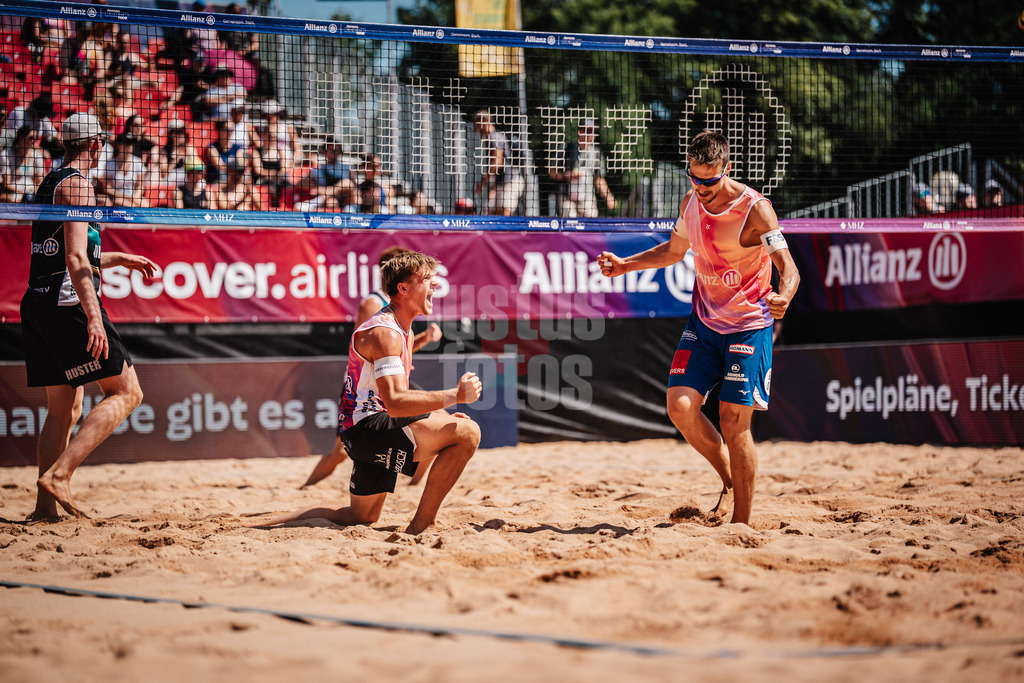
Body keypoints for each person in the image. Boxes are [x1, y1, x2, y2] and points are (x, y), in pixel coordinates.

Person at [597, 130, 800, 525]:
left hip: (748, 326)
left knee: (733, 420)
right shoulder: (691, 200)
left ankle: (741, 524)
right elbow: (673, 251)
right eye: (694, 178)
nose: (701, 188)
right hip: (705, 323)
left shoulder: (755, 209)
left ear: (726, 169)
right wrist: (625, 265)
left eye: (709, 180)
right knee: (681, 407)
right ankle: (728, 483)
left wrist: (785, 296)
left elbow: (788, 268)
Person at [251, 250, 481, 535]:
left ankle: (259, 524)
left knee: (358, 518)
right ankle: (423, 524)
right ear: (403, 287)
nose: (435, 284)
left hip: (363, 427)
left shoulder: (400, 327)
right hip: (369, 429)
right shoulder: (385, 330)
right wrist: (456, 395)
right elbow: (395, 403)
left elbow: (394, 397)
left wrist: (439, 413)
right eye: (427, 279)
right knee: (467, 434)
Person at [20, 113, 157, 521]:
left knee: (64, 408)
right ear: (96, 145)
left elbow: (66, 250)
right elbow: (75, 256)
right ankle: (60, 476)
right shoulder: (79, 184)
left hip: (38, 301)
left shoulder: (51, 179)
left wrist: (116, 259)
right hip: (68, 305)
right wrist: (93, 317)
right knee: (127, 392)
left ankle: (45, 509)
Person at [303, 246, 444, 488]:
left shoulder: (404, 310)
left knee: (443, 423)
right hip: (367, 386)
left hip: (392, 378)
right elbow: (366, 350)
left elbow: (398, 351)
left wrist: (424, 339)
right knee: (340, 450)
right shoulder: (373, 304)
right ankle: (306, 487)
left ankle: (413, 488)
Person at [550, 118, 616, 218]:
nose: (590, 135)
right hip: (566, 197)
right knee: (570, 224)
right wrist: (567, 176)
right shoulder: (565, 149)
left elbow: (599, 179)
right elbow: (552, 173)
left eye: (592, 131)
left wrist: (608, 197)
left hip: (587, 197)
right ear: (579, 131)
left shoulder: (596, 153)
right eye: (587, 131)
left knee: (591, 224)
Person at [472, 110, 524, 216]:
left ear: (485, 121)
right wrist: (493, 187)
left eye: (476, 124)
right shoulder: (493, 137)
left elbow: (497, 162)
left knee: (503, 217)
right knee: (495, 215)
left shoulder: (494, 137)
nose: (476, 128)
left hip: (510, 182)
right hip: (503, 183)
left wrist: (483, 182)